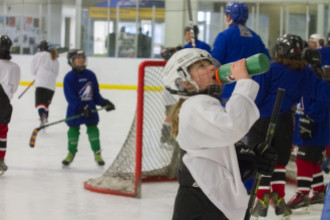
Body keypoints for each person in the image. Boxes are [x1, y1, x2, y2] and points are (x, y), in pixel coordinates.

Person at [163, 48, 277, 220]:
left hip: (206, 196)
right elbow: (233, 126)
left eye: (210, 64)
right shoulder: (194, 106)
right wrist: (244, 83)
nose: (210, 68)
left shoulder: (202, 106)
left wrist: (253, 155)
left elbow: (216, 153)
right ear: (184, 82)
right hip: (200, 202)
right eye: (201, 66)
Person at [249, 34, 330, 219]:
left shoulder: (270, 68)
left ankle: (261, 200)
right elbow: (324, 92)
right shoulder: (305, 72)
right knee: (278, 162)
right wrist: (317, 69)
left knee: (261, 159)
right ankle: (279, 199)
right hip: (285, 121)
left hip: (262, 120)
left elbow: (257, 95)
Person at [286, 48, 328, 213]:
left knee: (303, 159)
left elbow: (322, 101)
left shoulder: (315, 77)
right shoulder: (305, 75)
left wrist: (310, 119)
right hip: (308, 123)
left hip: (315, 126)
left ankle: (303, 193)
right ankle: (318, 191)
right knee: (310, 160)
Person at [62, 49, 115, 166]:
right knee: (73, 132)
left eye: (83, 57)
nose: (81, 60)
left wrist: (103, 102)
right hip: (75, 109)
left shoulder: (90, 75)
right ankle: (71, 153)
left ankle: (97, 153)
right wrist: (81, 107)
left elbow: (95, 94)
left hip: (90, 109)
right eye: (77, 57)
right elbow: (70, 97)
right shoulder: (69, 77)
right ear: (71, 61)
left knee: (93, 131)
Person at [211, 1, 270, 101]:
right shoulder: (256, 37)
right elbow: (266, 62)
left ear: (229, 16)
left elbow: (214, 64)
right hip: (253, 93)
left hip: (229, 93)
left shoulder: (224, 36)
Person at [0, 35, 21, 175]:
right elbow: (14, 87)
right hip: (5, 101)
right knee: (2, 131)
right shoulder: (15, 67)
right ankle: (0, 160)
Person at [31, 40, 59, 127]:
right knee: (46, 103)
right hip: (51, 85)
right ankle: (45, 116)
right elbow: (56, 73)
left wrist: (38, 74)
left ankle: (42, 115)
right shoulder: (55, 58)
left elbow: (33, 70)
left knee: (40, 103)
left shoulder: (39, 55)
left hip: (41, 82)